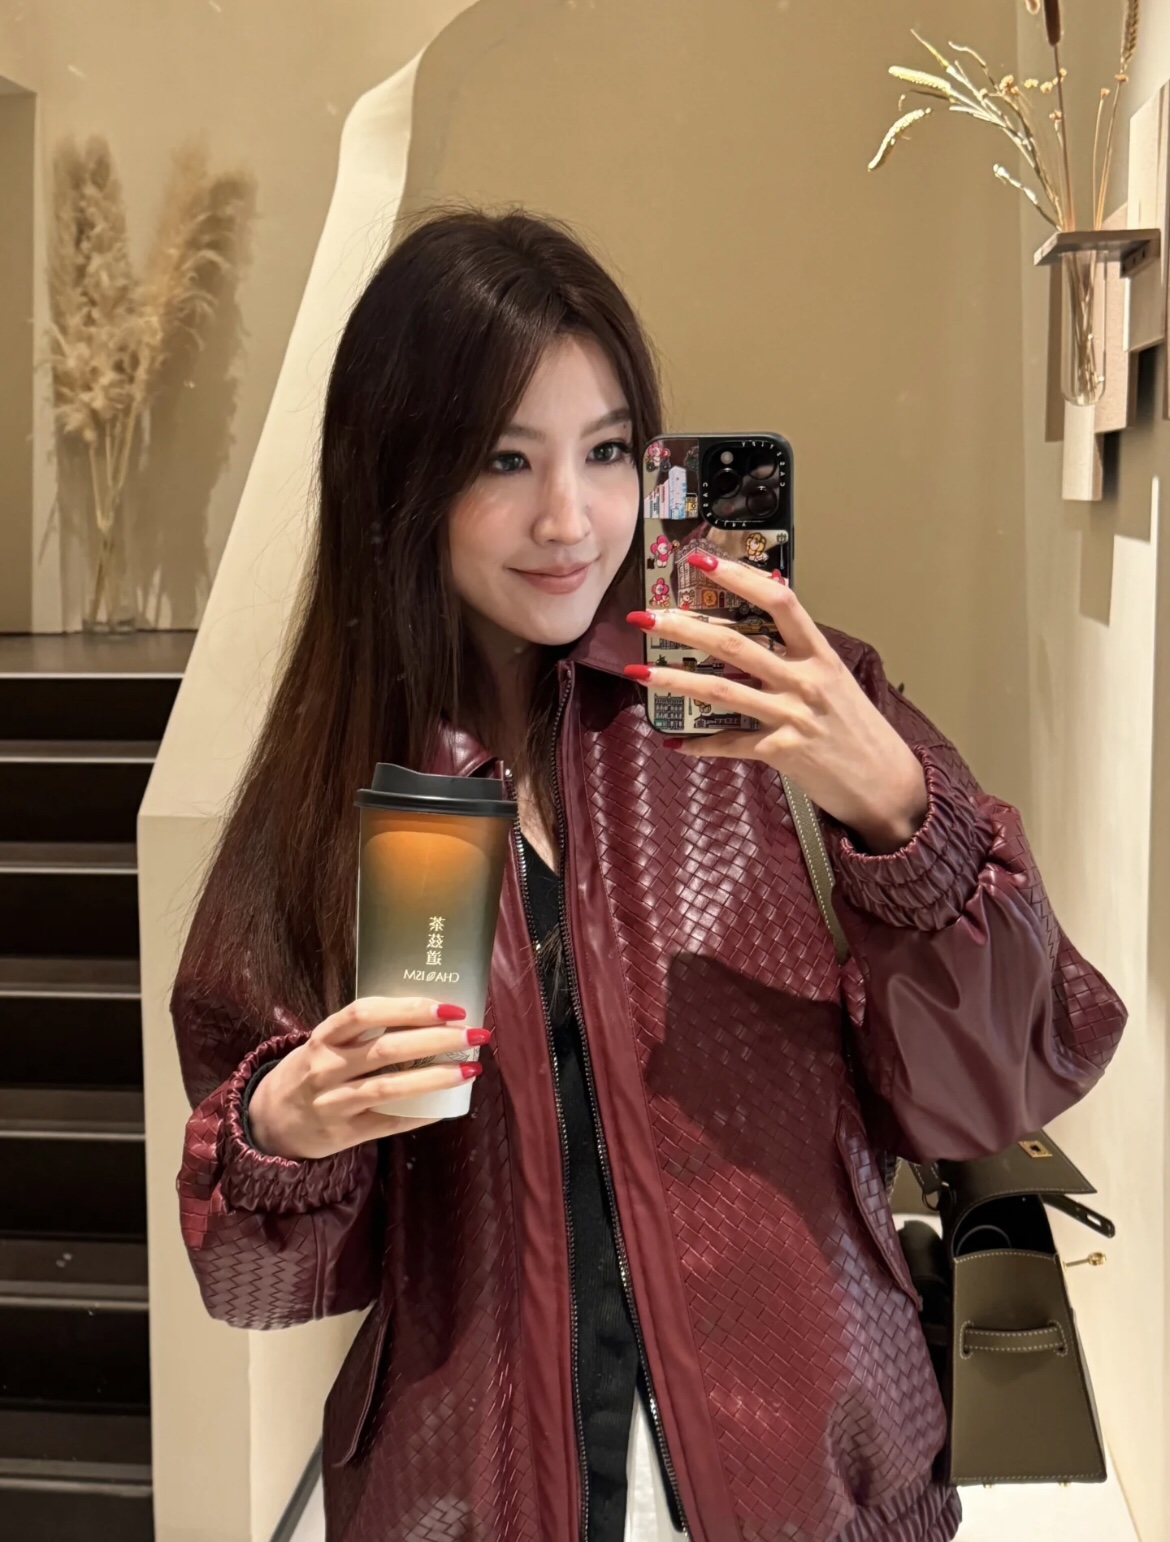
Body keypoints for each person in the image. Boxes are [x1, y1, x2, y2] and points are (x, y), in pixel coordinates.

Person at [171, 209, 1126, 1542]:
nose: (570, 518)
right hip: (472, 1500)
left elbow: (1000, 1083)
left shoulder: (784, 713)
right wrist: (279, 1134)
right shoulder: (335, 793)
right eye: (504, 458)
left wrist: (902, 820)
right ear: (398, 474)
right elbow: (262, 1287)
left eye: (610, 450)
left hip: (815, 1483)